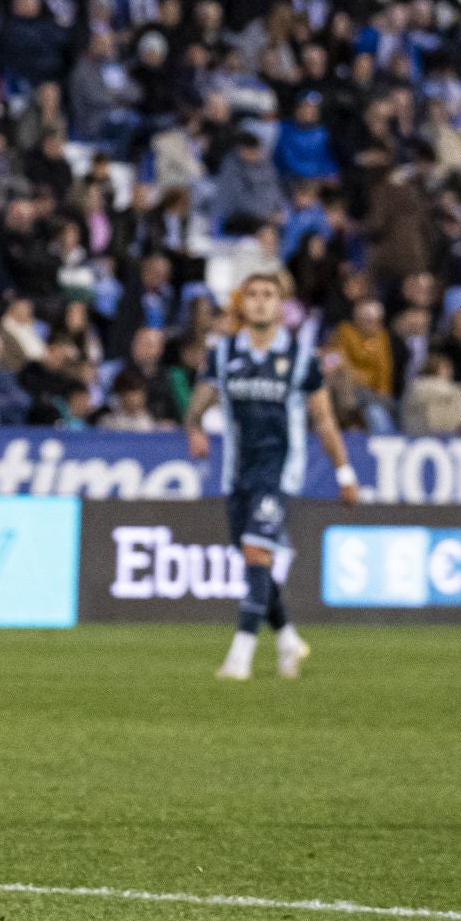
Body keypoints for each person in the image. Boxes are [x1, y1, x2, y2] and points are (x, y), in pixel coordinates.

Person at [184, 273, 360, 681]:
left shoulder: (300, 358)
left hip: (280, 472)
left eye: (269, 295)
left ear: (281, 306)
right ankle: (287, 640)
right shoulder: (223, 353)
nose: (261, 302)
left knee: (256, 553)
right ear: (242, 305)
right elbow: (196, 406)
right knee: (253, 560)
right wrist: (194, 430)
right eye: (253, 295)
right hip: (237, 474)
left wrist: (344, 472)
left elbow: (324, 420)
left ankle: (239, 658)